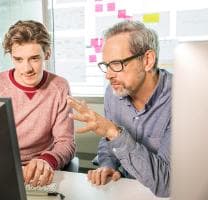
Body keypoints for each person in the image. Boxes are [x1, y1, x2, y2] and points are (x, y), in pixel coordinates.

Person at [67, 20, 171, 197]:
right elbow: (108, 143)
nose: (108, 75)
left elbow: (165, 183)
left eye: (116, 64)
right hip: (126, 189)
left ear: (147, 60)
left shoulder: (183, 100)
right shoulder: (114, 92)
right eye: (106, 66)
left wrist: (114, 132)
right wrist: (108, 165)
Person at [0, 20, 75, 187]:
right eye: (18, 59)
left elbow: (65, 142)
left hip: (40, 170)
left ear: (47, 54)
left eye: (34, 58)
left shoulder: (60, 86)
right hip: (1, 168)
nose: (26, 69)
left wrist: (47, 161)